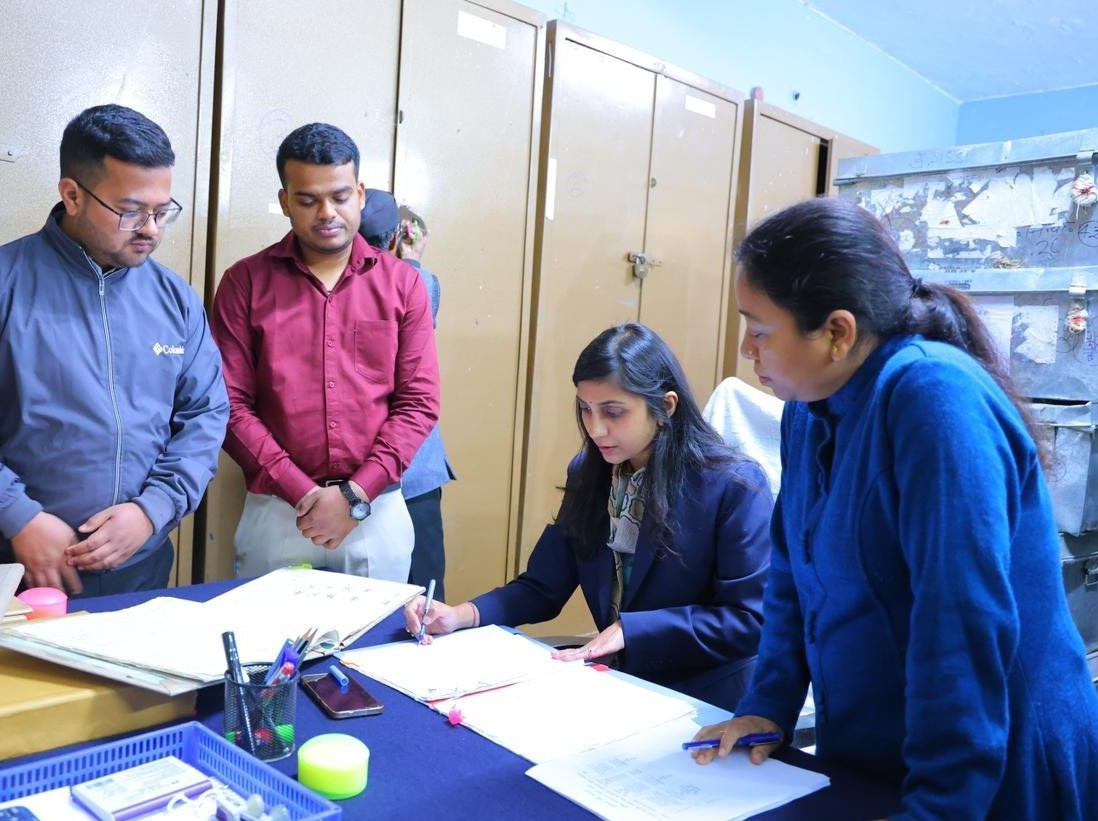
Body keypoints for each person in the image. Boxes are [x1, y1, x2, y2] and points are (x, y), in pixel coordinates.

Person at [691, 198, 1098, 821]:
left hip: (995, 760)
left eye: (759, 329)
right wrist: (767, 704)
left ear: (837, 332)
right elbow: (793, 577)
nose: (747, 350)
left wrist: (937, 815)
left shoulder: (932, 396)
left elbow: (960, 613)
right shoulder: (808, 409)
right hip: (880, 742)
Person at [0, 104, 229, 597]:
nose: (151, 229)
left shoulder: (174, 299)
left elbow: (205, 413)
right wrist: (16, 514)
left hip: (142, 565)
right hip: (22, 569)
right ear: (72, 195)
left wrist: (152, 509)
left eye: (162, 211)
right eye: (131, 211)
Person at [405, 323, 772, 710]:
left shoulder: (733, 484)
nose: (596, 429)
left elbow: (749, 620)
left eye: (613, 412)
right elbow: (543, 587)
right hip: (621, 685)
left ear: (665, 407)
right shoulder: (589, 471)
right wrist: (461, 615)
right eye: (585, 409)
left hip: (708, 699)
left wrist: (631, 630)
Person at [210, 124, 439, 582]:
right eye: (308, 200)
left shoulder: (403, 284)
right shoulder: (245, 283)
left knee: (375, 632)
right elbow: (229, 404)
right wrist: (300, 491)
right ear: (284, 201)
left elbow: (419, 402)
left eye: (339, 196)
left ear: (360, 193)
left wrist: (355, 495)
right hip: (279, 509)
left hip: (376, 510)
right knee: (270, 629)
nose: (326, 213)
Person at [357, 191, 455, 599]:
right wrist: (411, 257)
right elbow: (419, 289)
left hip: (357, 475)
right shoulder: (413, 282)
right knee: (423, 593)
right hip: (410, 471)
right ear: (396, 237)